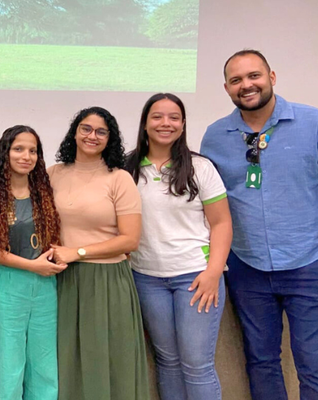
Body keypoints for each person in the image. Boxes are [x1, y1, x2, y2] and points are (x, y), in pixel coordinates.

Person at [200, 49, 318, 400]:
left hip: (310, 263)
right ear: (226, 88)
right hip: (246, 266)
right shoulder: (215, 136)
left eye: (254, 75)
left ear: (272, 77)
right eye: (236, 80)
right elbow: (211, 203)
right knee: (261, 361)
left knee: (315, 363)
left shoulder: (315, 124)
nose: (246, 85)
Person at [125, 93, 232, 400]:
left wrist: (213, 273)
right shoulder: (126, 169)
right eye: (157, 116)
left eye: (174, 117)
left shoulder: (200, 167)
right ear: (145, 123)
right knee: (168, 363)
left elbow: (222, 224)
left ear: (183, 124)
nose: (165, 123)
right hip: (146, 279)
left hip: (196, 278)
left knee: (197, 365)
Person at [47, 106, 149, 400]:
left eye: (101, 131)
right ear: (74, 132)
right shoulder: (52, 173)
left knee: (108, 361)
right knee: (67, 361)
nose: (93, 136)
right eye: (86, 129)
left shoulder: (119, 179)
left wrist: (76, 252)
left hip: (106, 282)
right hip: (61, 279)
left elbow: (130, 240)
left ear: (110, 138)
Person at [0, 125, 63, 400]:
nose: (26, 156)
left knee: (44, 364)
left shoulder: (45, 194)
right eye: (18, 149)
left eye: (33, 150)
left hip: (45, 286)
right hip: (9, 283)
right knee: (9, 363)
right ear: (5, 153)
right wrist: (32, 266)